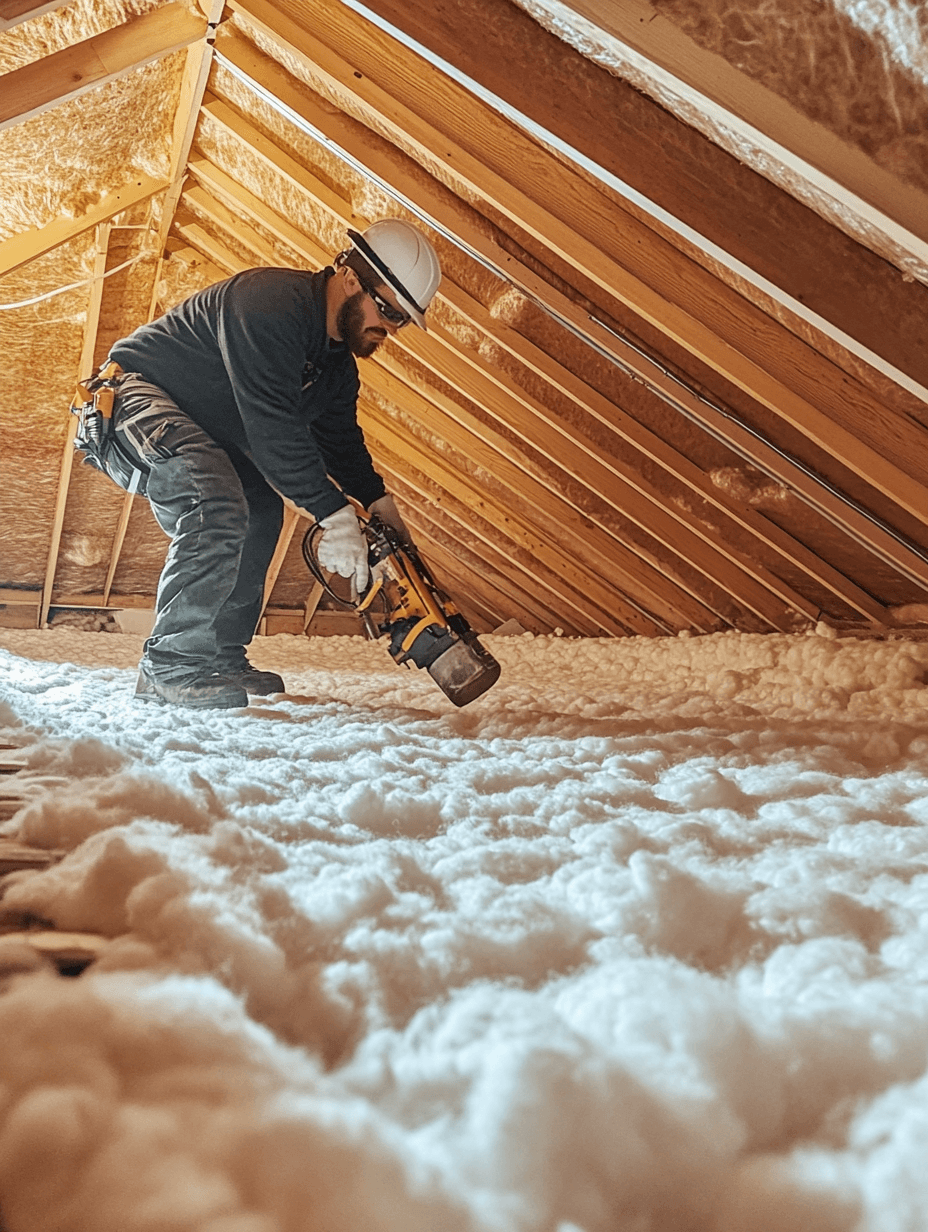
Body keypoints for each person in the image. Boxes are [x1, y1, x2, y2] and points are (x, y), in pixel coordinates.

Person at [75, 219, 442, 709]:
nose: (390, 331)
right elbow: (272, 432)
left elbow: (342, 446)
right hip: (128, 397)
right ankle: (171, 664)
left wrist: (381, 509)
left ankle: (218, 653)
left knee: (260, 511)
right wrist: (334, 517)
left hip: (196, 429)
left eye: (401, 322)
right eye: (389, 313)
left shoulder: (335, 370)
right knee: (213, 496)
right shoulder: (270, 303)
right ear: (352, 279)